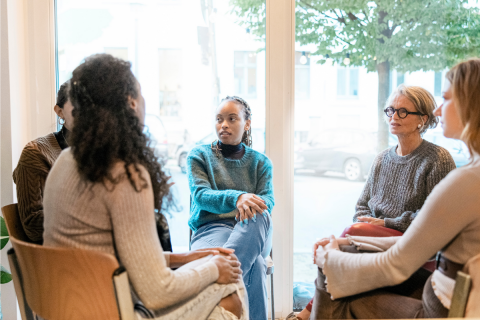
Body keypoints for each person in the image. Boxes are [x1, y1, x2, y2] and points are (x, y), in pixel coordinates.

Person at [43, 54, 247, 320]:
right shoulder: (123, 173)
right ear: (131, 103)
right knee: (229, 285)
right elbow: (157, 291)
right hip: (112, 311)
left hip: (66, 308)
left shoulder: (65, 161)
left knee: (218, 271)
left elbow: (112, 257)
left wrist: (184, 258)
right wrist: (214, 268)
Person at [309, 58, 480, 319]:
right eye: (390, 110)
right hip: (441, 293)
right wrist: (348, 242)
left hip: (438, 307)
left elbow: (398, 263)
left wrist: (330, 259)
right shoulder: (384, 159)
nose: (438, 111)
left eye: (446, 99)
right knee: (339, 262)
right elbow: (409, 237)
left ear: (470, 105)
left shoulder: (465, 180)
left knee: (333, 278)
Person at [188, 96, 274, 320]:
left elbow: (268, 201)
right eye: (219, 119)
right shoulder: (199, 155)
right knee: (255, 265)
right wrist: (238, 198)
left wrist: (249, 205)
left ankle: (216, 291)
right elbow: (201, 196)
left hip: (252, 230)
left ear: (247, 124)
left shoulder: (261, 162)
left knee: (261, 214)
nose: (223, 124)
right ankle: (226, 285)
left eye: (231, 118)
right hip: (211, 229)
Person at [12, 81, 73, 243]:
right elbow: (33, 225)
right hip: (63, 261)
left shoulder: (107, 152)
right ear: (60, 111)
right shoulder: (36, 153)